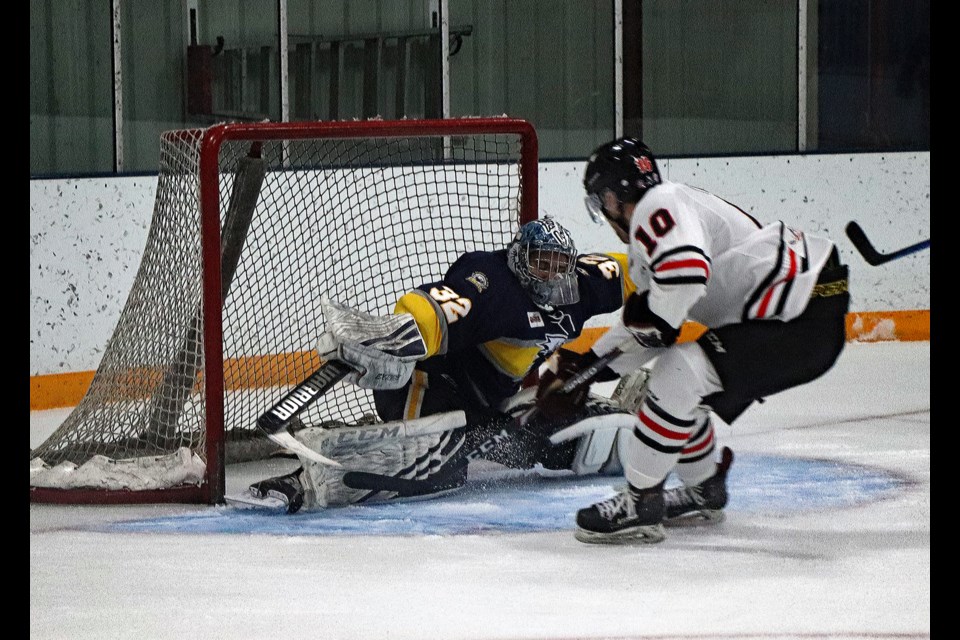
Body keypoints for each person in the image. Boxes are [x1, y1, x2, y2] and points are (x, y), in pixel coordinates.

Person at [535, 138, 850, 544]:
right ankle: (704, 489)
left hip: (801, 314)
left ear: (614, 197)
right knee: (682, 393)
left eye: (603, 202)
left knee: (680, 372)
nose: (607, 213)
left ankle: (639, 501)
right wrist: (584, 366)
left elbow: (683, 281)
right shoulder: (659, 229)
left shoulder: (658, 204)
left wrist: (654, 321)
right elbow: (650, 332)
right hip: (799, 315)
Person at [248, 216, 641, 513]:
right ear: (520, 260)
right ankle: (309, 481)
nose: (551, 275)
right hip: (426, 381)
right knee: (439, 470)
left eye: (559, 265)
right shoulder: (493, 280)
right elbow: (443, 306)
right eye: (541, 263)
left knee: (552, 432)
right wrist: (391, 336)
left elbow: (637, 269)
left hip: (488, 403)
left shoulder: (582, 285)